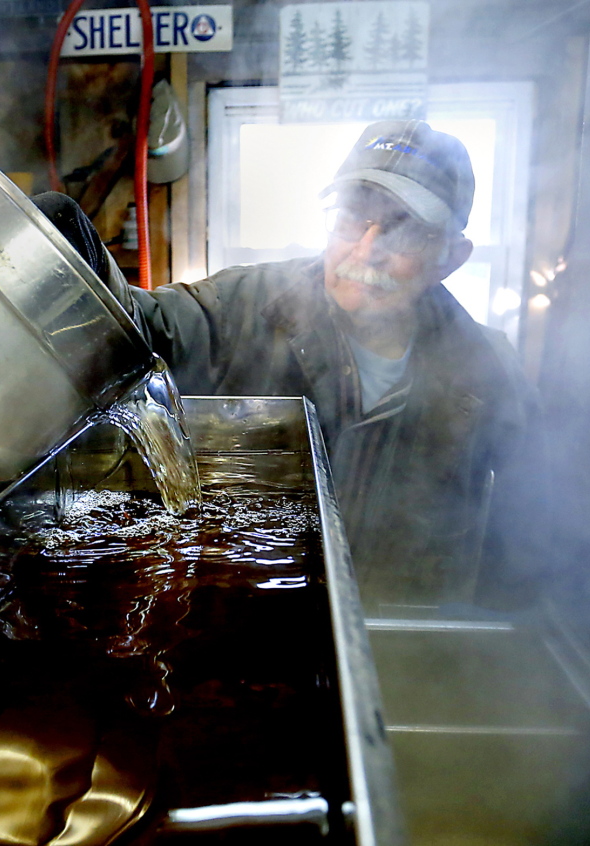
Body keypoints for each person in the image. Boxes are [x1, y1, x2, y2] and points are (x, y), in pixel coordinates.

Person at [34, 119, 547, 614]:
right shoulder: (250, 307)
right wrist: (82, 268)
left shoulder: (486, 376)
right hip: (259, 627)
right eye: (352, 219)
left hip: (402, 641)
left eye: (403, 232)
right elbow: (144, 326)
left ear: (451, 256)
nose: (367, 251)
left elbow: (533, 541)